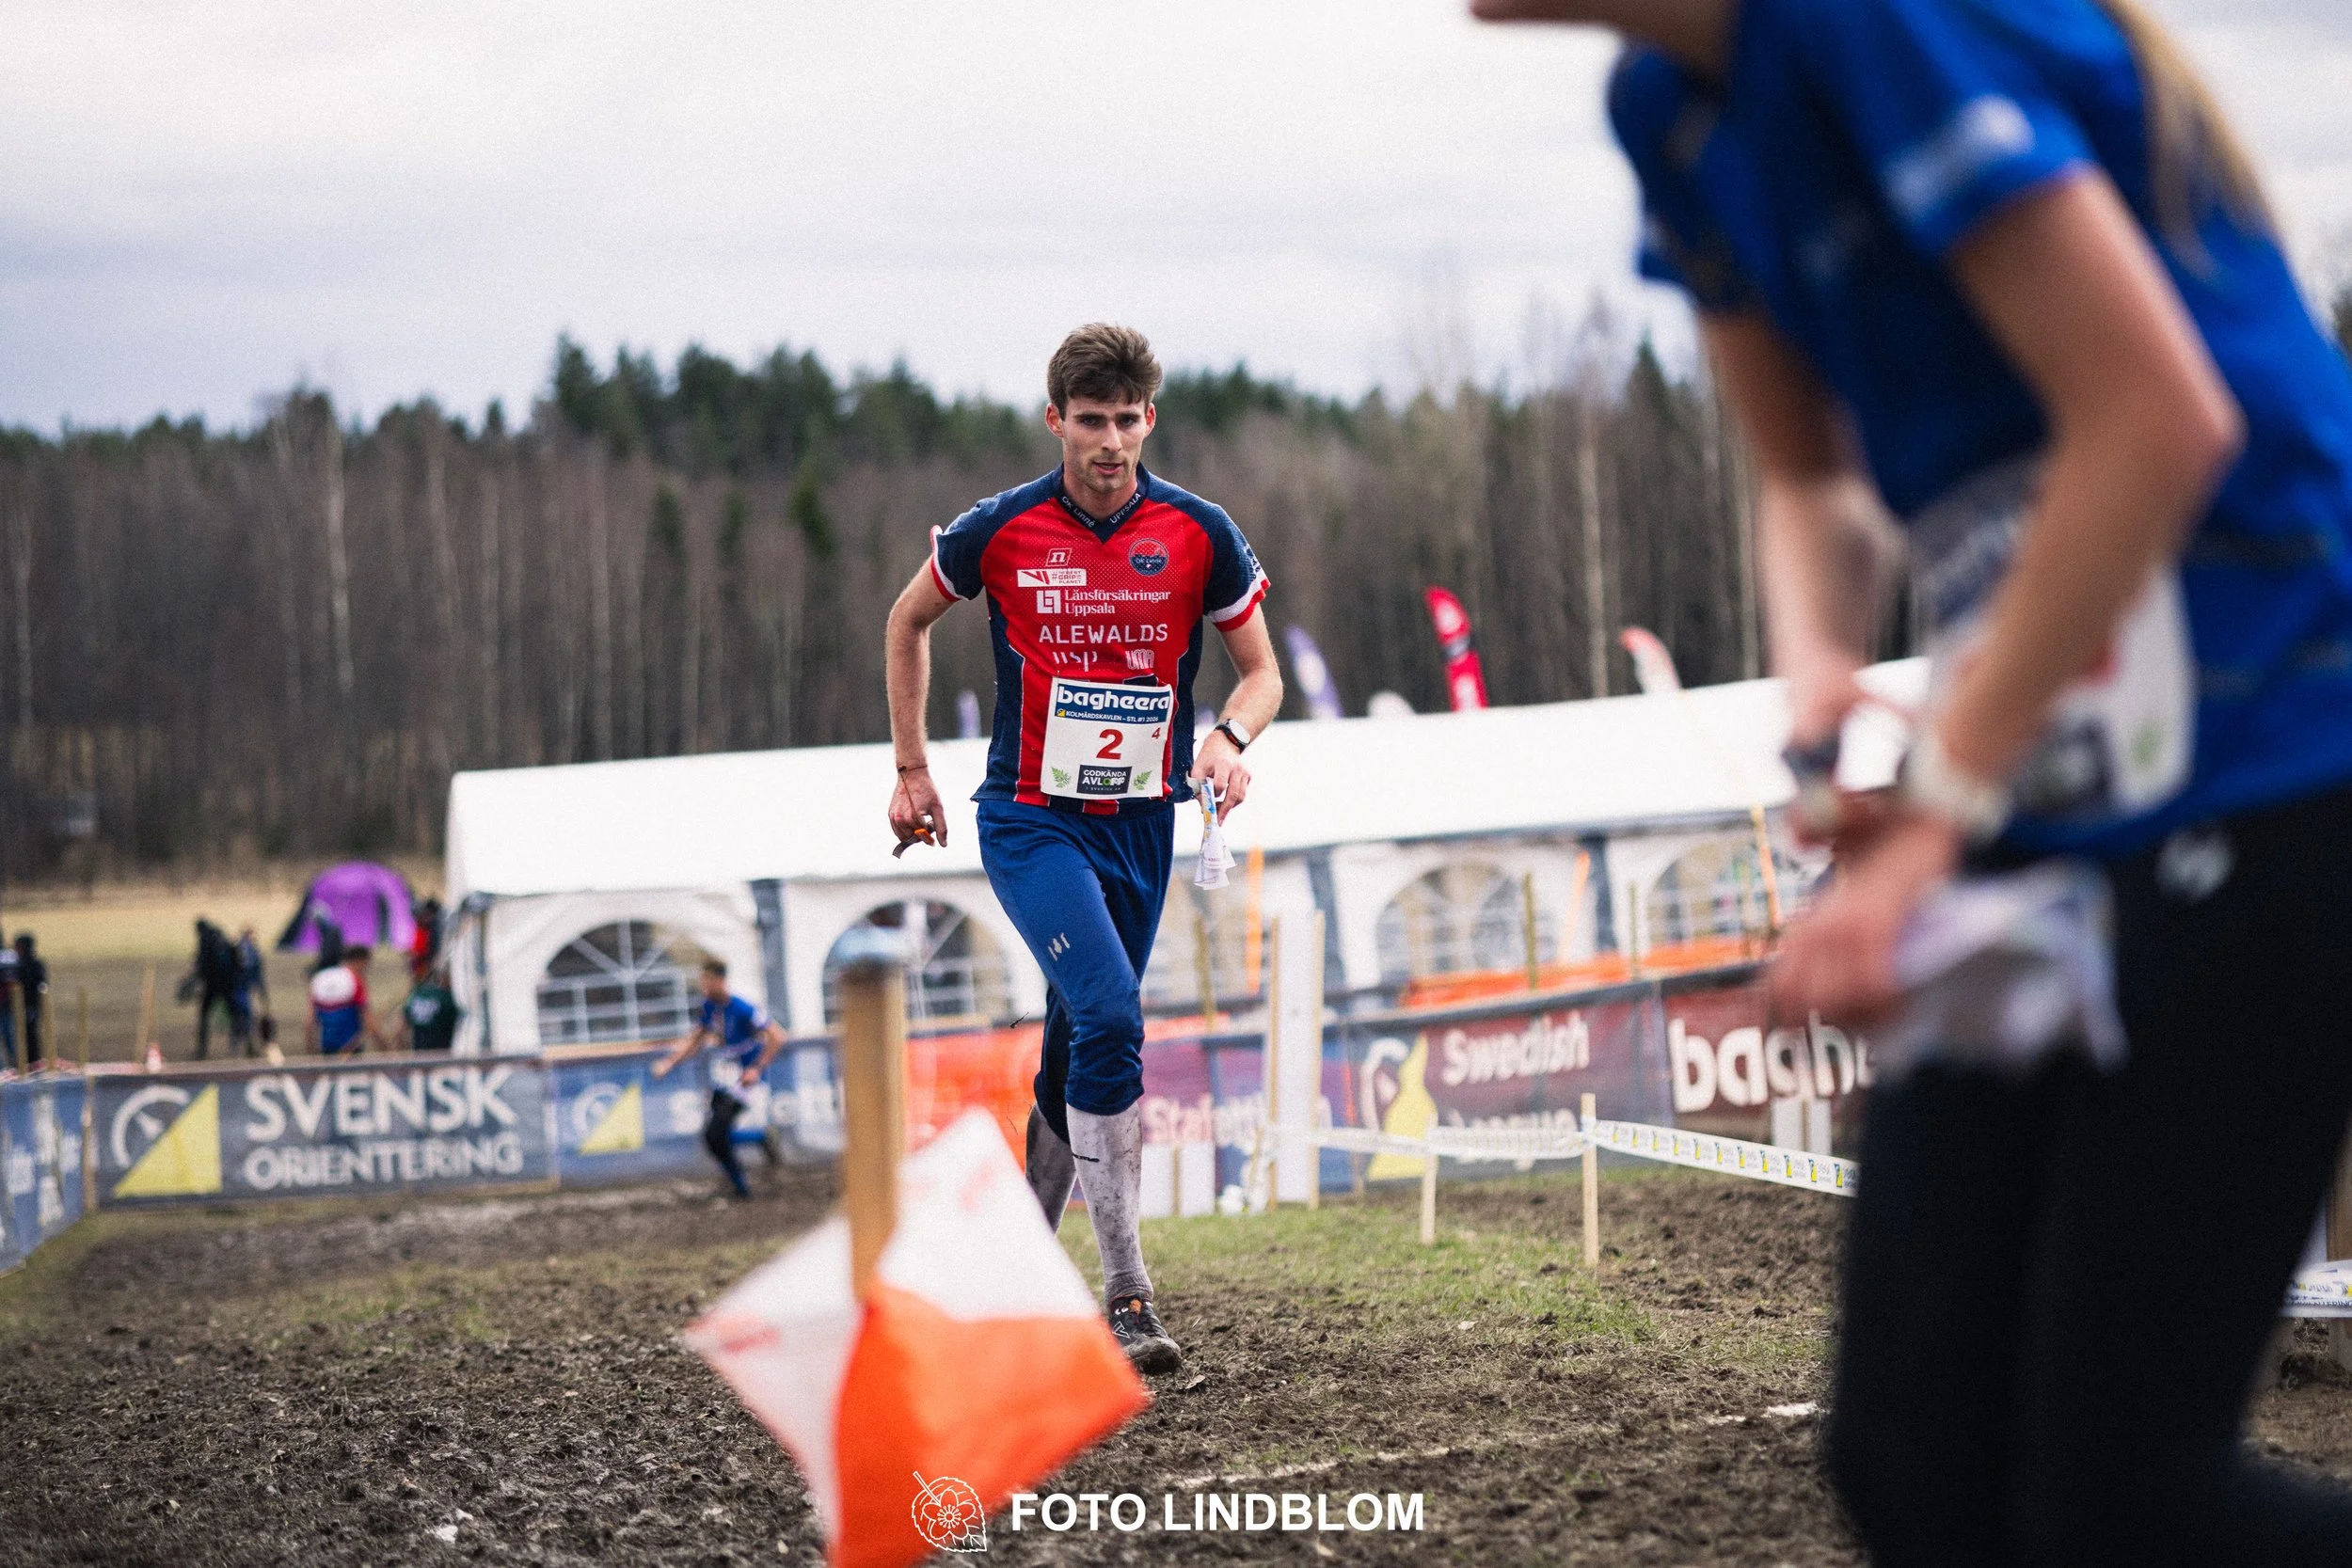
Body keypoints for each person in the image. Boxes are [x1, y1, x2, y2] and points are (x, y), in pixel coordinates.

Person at [1473, 0, 2352, 1559]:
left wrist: (1934, 813)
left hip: (2284, 746)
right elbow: (1812, 478)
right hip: (2048, 779)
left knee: (2124, 1493)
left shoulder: (1861, 19)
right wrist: (1821, 673)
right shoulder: (1666, 110)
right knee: (1909, 1451)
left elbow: (2155, 420)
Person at [883, 324, 1283, 1374]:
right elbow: (906, 620)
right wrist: (912, 769)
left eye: (1126, 420)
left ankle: (1010, 1264)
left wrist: (1231, 739)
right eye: (1090, 420)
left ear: (1150, 420)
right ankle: (1127, 1293)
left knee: (1076, 1042)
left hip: (1143, 825)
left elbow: (1262, 673)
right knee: (1111, 1015)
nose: (1110, 441)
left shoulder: (1198, 530)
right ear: (1055, 420)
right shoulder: (1001, 528)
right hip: (1032, 819)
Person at [651, 959, 787, 1200]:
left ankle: (749, 1169)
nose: (704, 985)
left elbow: (777, 1036)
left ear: (720, 980)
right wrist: (670, 1062)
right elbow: (696, 1040)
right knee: (714, 1138)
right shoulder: (710, 1007)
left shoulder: (743, 1008)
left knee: (715, 1135)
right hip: (726, 1079)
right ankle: (751, 1160)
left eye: (707, 980)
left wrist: (756, 1069)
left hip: (745, 1080)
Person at [186, 919, 243, 1061]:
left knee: (204, 1017)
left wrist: (198, 981)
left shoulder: (205, 940)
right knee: (236, 1016)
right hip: (227, 985)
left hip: (212, 986)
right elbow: (237, 960)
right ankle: (240, 1046)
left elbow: (202, 964)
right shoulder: (221, 937)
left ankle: (202, 1050)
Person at [307, 944, 375, 1055]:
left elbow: (309, 1022)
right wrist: (385, 1049)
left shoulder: (321, 978)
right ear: (359, 960)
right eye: (366, 965)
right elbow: (369, 1020)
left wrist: (311, 1053)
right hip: (351, 1047)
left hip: (327, 1046)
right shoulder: (355, 979)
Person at [398, 963, 462, 1053]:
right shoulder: (448, 999)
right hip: (445, 1055)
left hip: (419, 1055)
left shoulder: (417, 994)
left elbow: (401, 1030)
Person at [232, 925, 269, 1057]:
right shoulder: (251, 950)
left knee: (242, 1018)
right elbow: (255, 972)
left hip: (239, 989)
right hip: (244, 989)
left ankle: (239, 1047)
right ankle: (246, 1047)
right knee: (248, 1018)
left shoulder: (238, 947)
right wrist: (262, 993)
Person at [11, 934, 46, 1069]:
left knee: (30, 1036)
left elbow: (38, 986)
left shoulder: (30, 965)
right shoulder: (23, 964)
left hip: (29, 1005)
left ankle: (32, 1064)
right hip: (21, 1005)